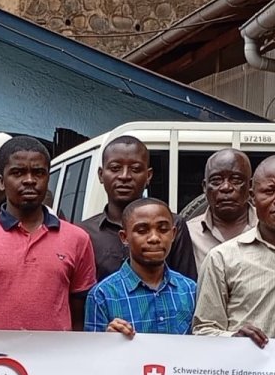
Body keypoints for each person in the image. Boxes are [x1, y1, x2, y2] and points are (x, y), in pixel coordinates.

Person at [0, 136, 96, 331]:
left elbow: (80, 320)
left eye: (38, 173)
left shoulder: (78, 239)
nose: (29, 180)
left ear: (47, 178)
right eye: (17, 173)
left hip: (56, 359)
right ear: (1, 181)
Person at [192, 156, 275, 344]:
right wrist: (234, 338)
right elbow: (203, 330)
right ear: (252, 196)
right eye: (270, 191)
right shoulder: (222, 258)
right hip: (243, 370)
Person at [80, 135, 197, 282]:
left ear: (148, 176)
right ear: (101, 175)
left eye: (135, 169)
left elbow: (187, 288)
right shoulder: (83, 233)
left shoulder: (173, 225)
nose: (124, 176)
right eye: (115, 168)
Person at [85, 197, 195, 336]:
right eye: (142, 231)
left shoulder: (190, 290)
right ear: (124, 237)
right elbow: (94, 353)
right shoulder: (102, 296)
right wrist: (108, 340)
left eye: (163, 229)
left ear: (173, 234)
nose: (154, 238)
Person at [182, 148, 258, 259]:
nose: (226, 187)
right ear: (205, 187)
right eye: (216, 180)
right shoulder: (188, 234)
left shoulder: (269, 229)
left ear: (250, 185)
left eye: (236, 180)